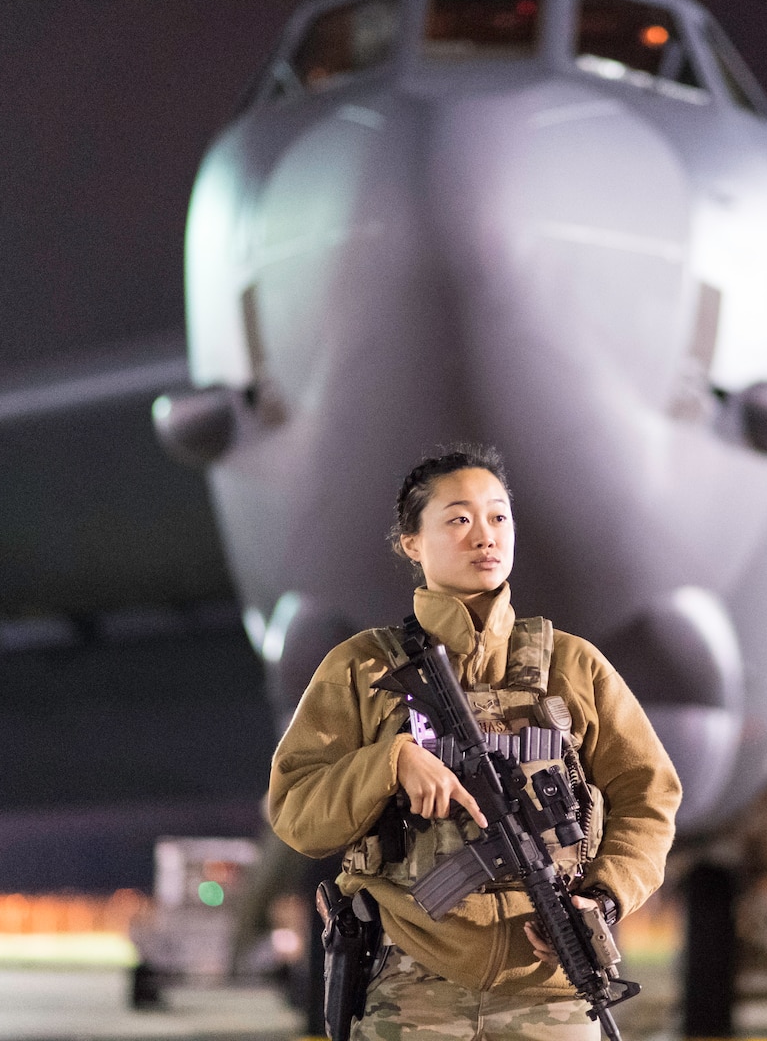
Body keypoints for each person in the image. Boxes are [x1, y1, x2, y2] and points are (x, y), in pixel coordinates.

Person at [268, 446, 682, 1040]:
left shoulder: (573, 665)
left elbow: (649, 796)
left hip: (552, 986)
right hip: (410, 986)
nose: (484, 536)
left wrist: (607, 896)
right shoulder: (362, 667)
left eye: (498, 517)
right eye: (458, 519)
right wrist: (389, 761)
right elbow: (298, 814)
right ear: (412, 542)